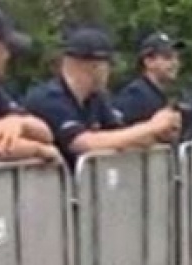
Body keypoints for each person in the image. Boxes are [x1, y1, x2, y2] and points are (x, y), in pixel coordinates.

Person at [23, 27, 181, 167]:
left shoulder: (96, 98)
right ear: (95, 66)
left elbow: (119, 136)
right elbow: (83, 144)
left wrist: (157, 134)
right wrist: (152, 127)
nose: (110, 72)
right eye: (108, 65)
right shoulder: (49, 98)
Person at [0, 2, 58, 161]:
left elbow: (46, 133)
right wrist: (38, 150)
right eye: (5, 48)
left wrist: (19, 122)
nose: (7, 56)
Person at [113, 31, 185, 126]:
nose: (175, 63)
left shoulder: (157, 95)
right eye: (168, 57)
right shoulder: (135, 96)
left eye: (177, 58)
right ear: (149, 61)